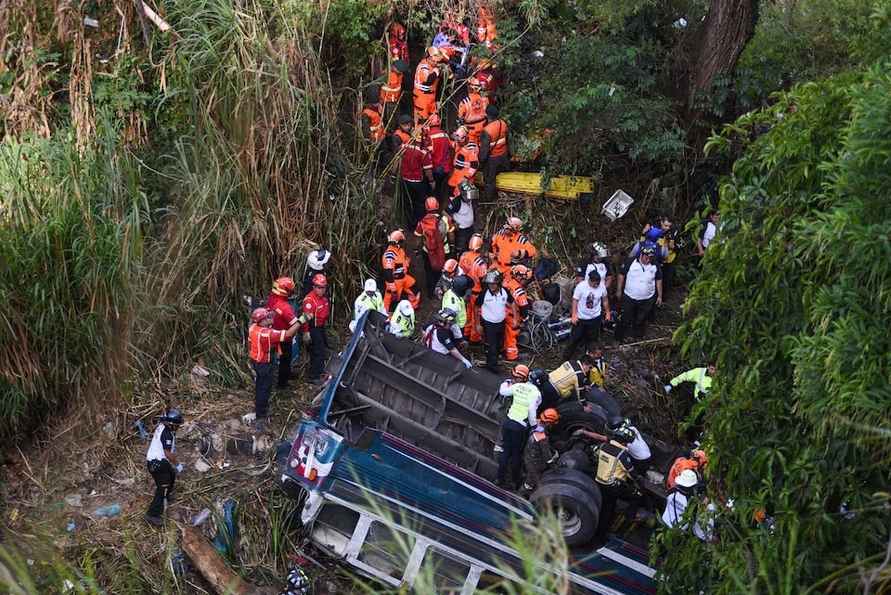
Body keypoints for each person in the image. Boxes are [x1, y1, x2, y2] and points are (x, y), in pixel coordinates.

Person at [248, 306, 308, 425]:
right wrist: (302, 320)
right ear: (262, 321)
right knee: (264, 388)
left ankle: (260, 409)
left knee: (260, 386)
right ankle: (261, 416)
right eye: (267, 318)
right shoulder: (266, 334)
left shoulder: (253, 328)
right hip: (264, 364)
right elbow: (289, 334)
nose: (270, 319)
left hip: (256, 361)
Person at [496, 368, 540, 489]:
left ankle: (499, 479)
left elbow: (503, 391)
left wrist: (506, 381)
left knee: (505, 451)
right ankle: (516, 481)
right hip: (519, 427)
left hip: (508, 422)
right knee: (516, 454)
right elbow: (532, 411)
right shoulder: (535, 392)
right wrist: (534, 425)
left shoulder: (518, 386)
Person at [145, 409, 184, 526]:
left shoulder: (162, 427)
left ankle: (166, 496)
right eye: (177, 425)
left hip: (158, 461)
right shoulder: (167, 432)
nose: (178, 427)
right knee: (163, 487)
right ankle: (152, 515)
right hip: (157, 463)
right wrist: (178, 464)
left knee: (171, 475)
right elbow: (167, 453)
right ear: (171, 424)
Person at [615, 245, 662, 341]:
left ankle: (637, 336)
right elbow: (621, 274)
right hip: (629, 297)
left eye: (650, 258)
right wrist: (619, 290)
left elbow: (659, 279)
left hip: (647, 299)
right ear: (641, 254)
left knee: (641, 319)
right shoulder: (631, 262)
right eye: (646, 257)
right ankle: (619, 337)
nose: (648, 260)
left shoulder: (655, 265)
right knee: (625, 317)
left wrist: (660, 296)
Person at [565, 269, 611, 360]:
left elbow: (605, 300)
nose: (596, 285)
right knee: (574, 339)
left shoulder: (601, 286)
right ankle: (566, 358)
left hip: (595, 318)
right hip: (581, 318)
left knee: (592, 340)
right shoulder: (581, 286)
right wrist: (574, 314)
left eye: (598, 283)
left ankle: (588, 358)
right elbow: (575, 300)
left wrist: (608, 312)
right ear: (590, 280)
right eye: (595, 283)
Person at [475, 270, 516, 372]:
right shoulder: (484, 293)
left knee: (499, 344)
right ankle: (492, 367)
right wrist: (477, 324)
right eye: (489, 284)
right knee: (492, 346)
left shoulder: (505, 292)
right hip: (488, 324)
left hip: (500, 323)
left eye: (494, 284)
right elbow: (476, 307)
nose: (491, 286)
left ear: (499, 283)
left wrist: (515, 317)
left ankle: (494, 360)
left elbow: (513, 303)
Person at [414, 196, 454, 296]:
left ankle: (431, 293)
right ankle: (444, 292)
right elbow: (451, 234)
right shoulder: (445, 219)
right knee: (444, 271)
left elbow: (418, 240)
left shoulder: (422, 222)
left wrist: (417, 251)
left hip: (428, 251)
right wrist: (452, 246)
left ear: (426, 208)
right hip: (444, 249)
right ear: (437, 206)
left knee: (429, 272)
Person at [661, 469, 713, 541]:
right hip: (678, 530)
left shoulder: (673, 491)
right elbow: (694, 518)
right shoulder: (690, 501)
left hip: (664, 521)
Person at [266, 276, 299, 388]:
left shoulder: (271, 300)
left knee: (272, 359)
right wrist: (304, 319)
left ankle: (275, 378)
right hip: (284, 336)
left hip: (271, 334)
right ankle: (282, 384)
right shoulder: (285, 307)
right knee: (285, 359)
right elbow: (295, 323)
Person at [521, 408, 560, 494]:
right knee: (532, 481)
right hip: (534, 462)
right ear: (549, 423)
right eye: (553, 423)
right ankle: (523, 493)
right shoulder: (542, 438)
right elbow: (547, 457)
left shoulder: (536, 423)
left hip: (527, 454)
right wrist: (554, 467)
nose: (553, 426)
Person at [400, 128, 434, 225]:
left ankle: (410, 224)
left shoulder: (403, 147)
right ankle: (420, 224)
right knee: (419, 204)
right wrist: (432, 182)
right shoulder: (423, 152)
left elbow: (397, 161)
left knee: (407, 202)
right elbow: (428, 171)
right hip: (417, 182)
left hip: (405, 180)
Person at [301, 273, 331, 385]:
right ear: (314, 287)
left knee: (322, 349)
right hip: (313, 328)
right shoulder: (310, 300)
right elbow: (305, 317)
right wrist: (306, 332)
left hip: (321, 327)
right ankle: (314, 376)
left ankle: (320, 370)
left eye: (323, 288)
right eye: (319, 287)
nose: (321, 290)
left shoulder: (323, 298)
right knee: (317, 351)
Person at [382, 229, 420, 312]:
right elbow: (388, 273)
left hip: (404, 277)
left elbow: (403, 262)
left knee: (414, 287)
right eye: (401, 242)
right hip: (394, 281)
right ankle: (387, 316)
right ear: (397, 242)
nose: (403, 244)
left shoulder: (400, 251)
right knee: (392, 300)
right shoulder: (390, 255)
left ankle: (413, 306)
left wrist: (408, 261)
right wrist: (393, 289)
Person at [459, 233, 488, 343]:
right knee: (476, 316)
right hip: (476, 292)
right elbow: (483, 280)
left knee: (467, 313)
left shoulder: (463, 256)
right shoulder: (480, 263)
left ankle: (466, 333)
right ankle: (474, 338)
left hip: (466, 291)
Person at [478, 105, 509, 202]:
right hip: (503, 156)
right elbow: (507, 139)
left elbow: (484, 152)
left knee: (489, 181)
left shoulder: (487, 131)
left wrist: (481, 162)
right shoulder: (503, 123)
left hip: (493, 159)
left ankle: (488, 200)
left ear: (487, 115)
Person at [503, 264, 531, 361]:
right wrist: (525, 319)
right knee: (512, 335)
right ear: (518, 276)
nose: (525, 281)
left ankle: (503, 349)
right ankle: (512, 355)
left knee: (504, 333)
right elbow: (523, 306)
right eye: (524, 279)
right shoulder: (519, 291)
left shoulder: (506, 282)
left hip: (503, 312)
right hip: (512, 316)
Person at [424, 114, 453, 201]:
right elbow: (450, 148)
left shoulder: (429, 136)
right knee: (440, 188)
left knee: (433, 189)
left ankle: (433, 205)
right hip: (445, 168)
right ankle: (440, 204)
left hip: (435, 168)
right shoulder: (445, 135)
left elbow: (427, 154)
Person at [413, 46, 446, 123]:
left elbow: (437, 84)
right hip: (422, 97)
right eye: (433, 61)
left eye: (437, 62)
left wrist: (437, 100)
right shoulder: (423, 67)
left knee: (433, 119)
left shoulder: (435, 67)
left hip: (432, 98)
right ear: (428, 58)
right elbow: (428, 81)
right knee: (422, 120)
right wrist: (436, 72)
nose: (435, 63)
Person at [446, 126, 480, 199]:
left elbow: (474, 165)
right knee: (451, 189)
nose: (457, 142)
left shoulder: (471, 148)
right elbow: (452, 144)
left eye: (459, 140)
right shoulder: (458, 143)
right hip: (456, 173)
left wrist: (466, 177)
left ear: (465, 138)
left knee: (461, 196)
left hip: (465, 176)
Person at [446, 179, 476, 256]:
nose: (470, 198)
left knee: (471, 245)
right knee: (461, 248)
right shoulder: (457, 202)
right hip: (461, 231)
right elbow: (445, 212)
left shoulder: (471, 200)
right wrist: (453, 222)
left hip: (470, 228)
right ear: (463, 195)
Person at [458, 77, 489, 143]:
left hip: (471, 132)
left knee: (471, 150)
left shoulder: (464, 102)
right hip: (484, 128)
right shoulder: (485, 99)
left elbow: (460, 118)